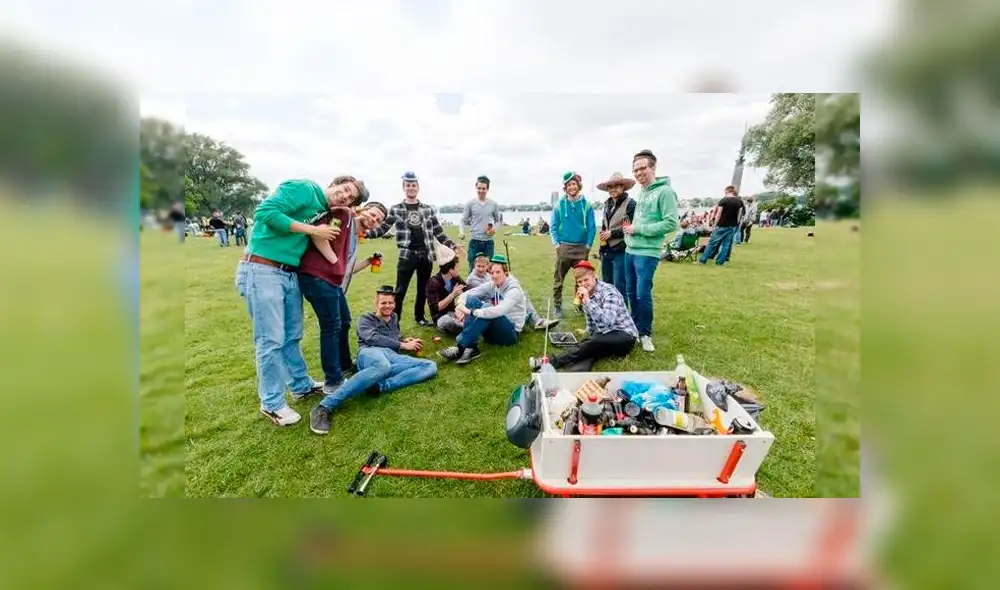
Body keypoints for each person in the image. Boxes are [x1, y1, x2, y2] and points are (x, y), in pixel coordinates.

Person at [236, 175, 368, 426]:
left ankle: (301, 385)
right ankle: (272, 403)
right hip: (262, 268)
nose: (345, 197)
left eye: (350, 198)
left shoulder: (321, 209)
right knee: (270, 340)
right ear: (335, 183)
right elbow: (264, 213)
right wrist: (312, 230)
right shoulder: (304, 189)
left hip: (288, 273)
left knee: (292, 335)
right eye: (345, 189)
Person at [308, 286, 438, 435]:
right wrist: (402, 344)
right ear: (376, 303)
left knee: (430, 366)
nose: (387, 306)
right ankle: (324, 407)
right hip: (369, 352)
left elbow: (392, 338)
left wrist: (402, 339)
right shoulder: (366, 319)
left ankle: (379, 387)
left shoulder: (394, 317)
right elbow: (372, 338)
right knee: (383, 366)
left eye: (390, 303)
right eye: (383, 303)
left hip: (391, 357)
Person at [298, 199, 388, 395]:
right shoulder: (342, 219)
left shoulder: (354, 236)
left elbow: (345, 269)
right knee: (331, 327)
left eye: (378, 220)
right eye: (372, 214)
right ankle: (333, 381)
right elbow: (320, 238)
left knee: (345, 321)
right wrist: (333, 261)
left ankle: (345, 363)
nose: (374, 220)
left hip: (332, 281)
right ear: (363, 210)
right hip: (318, 277)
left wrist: (368, 261)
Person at [365, 171, 463, 326]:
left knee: (423, 289)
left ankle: (420, 317)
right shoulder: (396, 209)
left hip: (426, 256)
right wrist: (365, 234)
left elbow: (439, 232)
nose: (411, 188)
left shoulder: (428, 209)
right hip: (407, 256)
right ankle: (393, 323)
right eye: (408, 185)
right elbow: (383, 228)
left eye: (413, 185)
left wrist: (453, 245)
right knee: (400, 291)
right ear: (404, 187)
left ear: (418, 188)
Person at [529, 261, 637, 372]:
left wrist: (588, 301)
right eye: (580, 282)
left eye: (586, 280)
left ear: (594, 276)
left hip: (625, 336)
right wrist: (588, 334)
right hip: (605, 335)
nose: (583, 284)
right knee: (589, 347)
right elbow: (591, 324)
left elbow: (608, 321)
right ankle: (572, 370)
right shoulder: (586, 295)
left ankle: (550, 362)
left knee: (593, 343)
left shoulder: (609, 291)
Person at [624, 149, 679, 353]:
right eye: (635, 170)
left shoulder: (664, 191)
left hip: (647, 253)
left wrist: (638, 229)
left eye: (642, 168)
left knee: (642, 293)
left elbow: (671, 223)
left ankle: (645, 333)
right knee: (631, 292)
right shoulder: (643, 192)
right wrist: (630, 233)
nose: (638, 173)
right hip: (631, 250)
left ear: (653, 167)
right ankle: (634, 327)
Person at [439, 254, 526, 365]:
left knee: (487, 308)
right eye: (492, 273)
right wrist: (459, 306)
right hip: (492, 332)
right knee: (471, 300)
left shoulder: (514, 289)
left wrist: (471, 312)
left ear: (506, 272)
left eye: (498, 272)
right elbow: (468, 294)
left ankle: (461, 346)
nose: (494, 276)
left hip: (510, 334)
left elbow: (498, 311)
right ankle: (472, 348)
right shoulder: (493, 284)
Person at [466, 252, 557, 330]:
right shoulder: (473, 279)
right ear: (474, 265)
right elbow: (485, 293)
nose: (481, 269)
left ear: (487, 267)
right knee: (514, 300)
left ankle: (535, 320)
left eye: (483, 266)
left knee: (521, 295)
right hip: (486, 303)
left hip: (496, 299)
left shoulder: (487, 275)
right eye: (478, 266)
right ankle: (530, 319)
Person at [550, 171, 597, 318]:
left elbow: (592, 227)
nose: (571, 187)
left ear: (578, 186)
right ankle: (558, 306)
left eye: (574, 184)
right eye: (569, 185)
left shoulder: (586, 205)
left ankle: (580, 305)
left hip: (581, 247)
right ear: (565, 187)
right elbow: (553, 226)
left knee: (582, 280)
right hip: (564, 247)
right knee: (558, 279)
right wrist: (557, 245)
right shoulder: (559, 205)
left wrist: (588, 245)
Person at [595, 172, 636, 298]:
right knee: (606, 285)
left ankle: (621, 315)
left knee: (620, 285)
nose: (613, 189)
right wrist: (601, 249)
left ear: (623, 187)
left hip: (621, 250)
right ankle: (609, 313)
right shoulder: (607, 204)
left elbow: (631, 228)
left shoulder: (630, 204)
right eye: (610, 187)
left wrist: (611, 234)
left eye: (616, 186)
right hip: (607, 251)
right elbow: (604, 226)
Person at [459, 175, 502, 273]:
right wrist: (461, 232)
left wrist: (494, 230)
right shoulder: (470, 204)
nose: (481, 191)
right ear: (476, 187)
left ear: (487, 189)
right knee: (472, 269)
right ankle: (472, 288)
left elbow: (498, 220)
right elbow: (463, 220)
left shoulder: (493, 204)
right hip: (474, 241)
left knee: (490, 270)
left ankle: (490, 288)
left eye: (484, 188)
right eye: (479, 188)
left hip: (488, 242)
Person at [698, 185, 745, 266]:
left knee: (711, 243)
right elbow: (740, 214)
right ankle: (720, 262)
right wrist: (736, 224)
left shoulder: (723, 201)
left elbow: (718, 214)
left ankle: (703, 260)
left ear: (727, 191)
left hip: (721, 225)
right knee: (726, 244)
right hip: (732, 225)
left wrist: (714, 225)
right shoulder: (739, 201)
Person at [425, 248, 467, 335]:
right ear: (451, 271)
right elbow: (436, 308)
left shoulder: (455, 278)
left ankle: (468, 325)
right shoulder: (433, 282)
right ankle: (469, 327)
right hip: (441, 317)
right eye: (457, 267)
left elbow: (467, 290)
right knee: (449, 322)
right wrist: (453, 295)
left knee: (469, 312)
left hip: (453, 312)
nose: (458, 269)